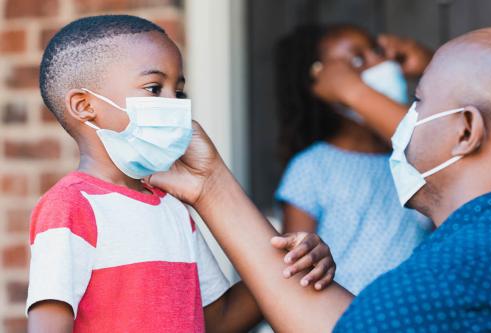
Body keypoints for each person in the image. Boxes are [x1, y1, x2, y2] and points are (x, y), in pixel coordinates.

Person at [148, 27, 491, 332]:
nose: (407, 116)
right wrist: (210, 185)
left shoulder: (463, 266)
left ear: (466, 130)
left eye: (418, 100)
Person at [26, 15, 337, 333]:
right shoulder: (70, 206)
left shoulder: (172, 207)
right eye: (154, 88)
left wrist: (295, 268)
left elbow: (218, 319)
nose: (172, 104)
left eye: (178, 92)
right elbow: (48, 323)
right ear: (83, 105)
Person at [274, 24, 433, 294]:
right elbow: (294, 273)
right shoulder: (311, 167)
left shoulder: (416, 158)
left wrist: (431, 67)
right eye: (357, 60)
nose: (379, 63)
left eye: (376, 51)